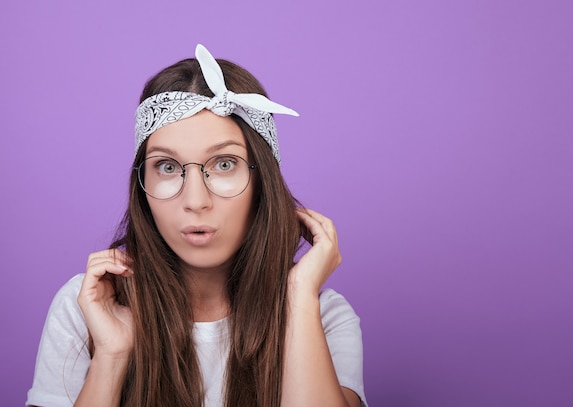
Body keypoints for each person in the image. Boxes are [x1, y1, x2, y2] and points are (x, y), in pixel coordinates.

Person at [26, 44, 366, 407]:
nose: (195, 201)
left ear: (262, 181)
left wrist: (297, 297)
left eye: (223, 164)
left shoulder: (323, 317)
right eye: (168, 167)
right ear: (143, 186)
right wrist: (111, 355)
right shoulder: (88, 307)